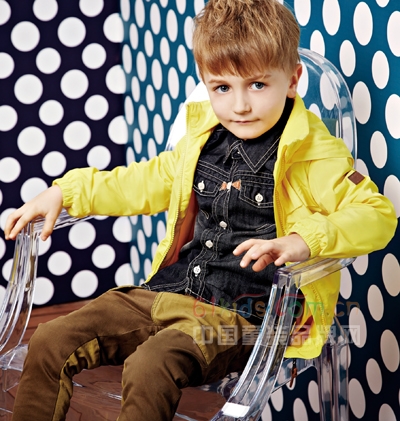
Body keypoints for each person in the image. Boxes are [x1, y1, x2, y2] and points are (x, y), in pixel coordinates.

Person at [4, 0, 397, 420]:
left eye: (257, 85)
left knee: (150, 366)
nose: (240, 105)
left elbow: (377, 214)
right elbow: (142, 180)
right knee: (51, 339)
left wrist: (304, 241)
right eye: (222, 88)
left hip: (242, 315)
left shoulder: (313, 154)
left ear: (292, 80)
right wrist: (65, 192)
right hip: (169, 290)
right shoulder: (203, 139)